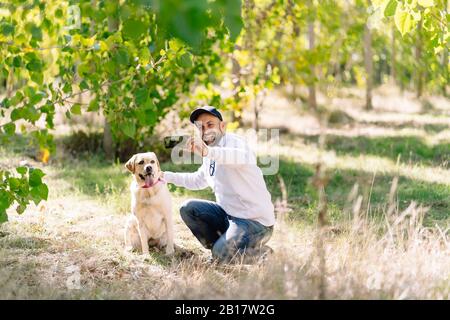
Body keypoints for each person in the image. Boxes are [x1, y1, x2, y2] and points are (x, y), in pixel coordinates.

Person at [162, 106, 275, 264]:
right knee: (188, 208)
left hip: (255, 222)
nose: (205, 130)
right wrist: (165, 176)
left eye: (210, 124)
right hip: (229, 216)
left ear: (222, 126)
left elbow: (238, 157)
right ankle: (221, 251)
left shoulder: (235, 143)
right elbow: (198, 180)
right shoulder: (209, 151)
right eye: (201, 127)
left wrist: (208, 152)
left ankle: (262, 255)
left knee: (221, 254)